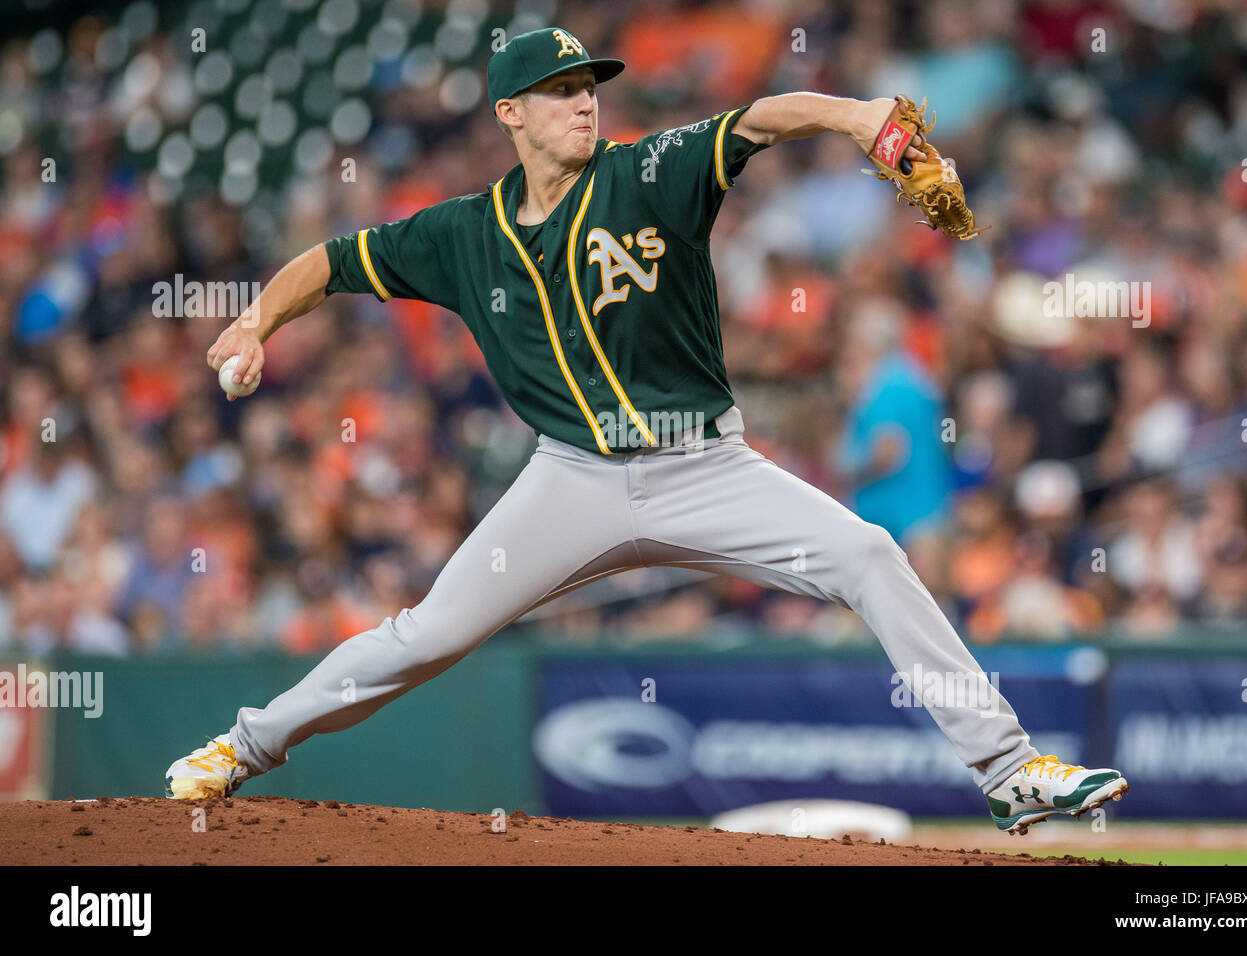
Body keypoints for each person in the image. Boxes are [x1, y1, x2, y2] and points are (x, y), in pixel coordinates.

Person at [167, 27, 1127, 834]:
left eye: (588, 86)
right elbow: (335, 260)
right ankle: (244, 745)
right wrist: (256, 320)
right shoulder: (460, 234)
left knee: (871, 554)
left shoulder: (651, 173)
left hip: (708, 468)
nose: (583, 102)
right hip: (571, 481)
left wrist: (853, 115)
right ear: (510, 114)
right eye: (557, 91)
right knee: (425, 637)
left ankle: (1009, 774)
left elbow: (756, 120)